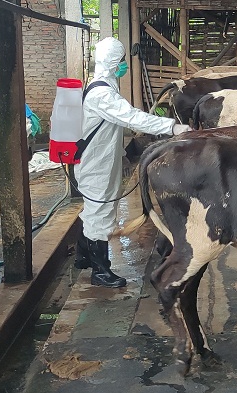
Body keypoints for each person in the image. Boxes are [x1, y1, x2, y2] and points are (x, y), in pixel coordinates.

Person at [73, 37, 191, 288]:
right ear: (114, 63)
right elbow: (133, 118)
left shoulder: (102, 84)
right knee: (100, 211)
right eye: (122, 60)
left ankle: (83, 256)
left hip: (101, 158)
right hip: (96, 164)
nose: (125, 64)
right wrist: (172, 126)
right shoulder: (102, 94)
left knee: (94, 208)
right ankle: (100, 271)